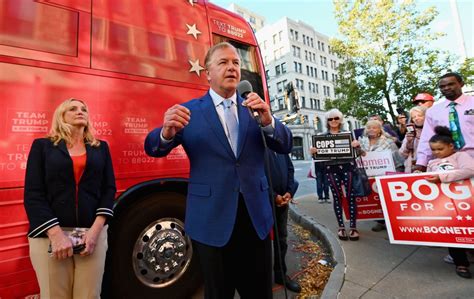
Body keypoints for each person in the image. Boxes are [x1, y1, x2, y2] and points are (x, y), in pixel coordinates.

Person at [144, 42, 292, 299]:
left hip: (255, 219)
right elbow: (153, 148)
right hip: (211, 220)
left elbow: (285, 144)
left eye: (236, 63)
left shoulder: (255, 108)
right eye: (223, 62)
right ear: (208, 73)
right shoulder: (190, 112)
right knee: (218, 293)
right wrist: (166, 132)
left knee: (259, 293)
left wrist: (269, 121)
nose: (232, 67)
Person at [24, 98, 116, 298]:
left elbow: (109, 190)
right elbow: (33, 194)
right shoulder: (42, 146)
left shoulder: (101, 147)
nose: (80, 111)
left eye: (84, 108)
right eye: (72, 108)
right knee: (54, 294)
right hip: (50, 235)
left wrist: (95, 233)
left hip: (91, 233)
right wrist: (56, 236)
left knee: (89, 295)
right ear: (61, 115)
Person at [425, 126, 474, 279]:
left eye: (440, 149)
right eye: (433, 150)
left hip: (467, 200)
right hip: (445, 204)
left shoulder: (461, 156)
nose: (436, 153)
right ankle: (461, 263)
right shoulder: (432, 162)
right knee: (452, 233)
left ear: (451, 146)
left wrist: (443, 177)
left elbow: (470, 170)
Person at [310, 109, 361, 241]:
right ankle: (341, 227)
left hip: (348, 167)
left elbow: (360, 154)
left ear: (340, 119)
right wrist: (313, 152)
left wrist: (357, 146)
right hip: (330, 169)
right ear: (327, 121)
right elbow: (317, 156)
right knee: (337, 197)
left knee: (351, 195)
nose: (333, 121)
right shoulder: (322, 136)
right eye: (330, 119)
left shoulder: (348, 135)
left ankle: (353, 227)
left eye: (336, 118)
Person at [415, 72, 474, 172]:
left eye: (451, 84)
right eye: (442, 86)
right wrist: (421, 162)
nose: (446, 88)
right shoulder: (433, 111)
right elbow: (427, 138)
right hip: (448, 163)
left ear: (461, 84)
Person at [358, 120, 405, 232]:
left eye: (374, 128)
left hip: (385, 176)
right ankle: (381, 222)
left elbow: (398, 161)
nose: (371, 130)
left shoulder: (388, 142)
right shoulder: (361, 143)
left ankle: (394, 222)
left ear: (380, 129)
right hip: (369, 176)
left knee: (388, 200)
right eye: (369, 127)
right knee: (375, 200)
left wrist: (395, 175)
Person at [266, 150, 301, 293]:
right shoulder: (255, 142)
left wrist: (289, 192)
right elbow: (254, 175)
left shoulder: (280, 146)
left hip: (282, 202)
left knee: (281, 239)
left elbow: (290, 170)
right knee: (261, 242)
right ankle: (261, 278)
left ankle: (280, 274)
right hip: (262, 202)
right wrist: (273, 196)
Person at [399, 106, 427, 173]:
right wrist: (409, 143)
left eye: (419, 115)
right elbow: (402, 155)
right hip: (412, 169)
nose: (416, 118)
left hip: (430, 168)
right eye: (414, 117)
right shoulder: (410, 133)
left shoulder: (433, 131)